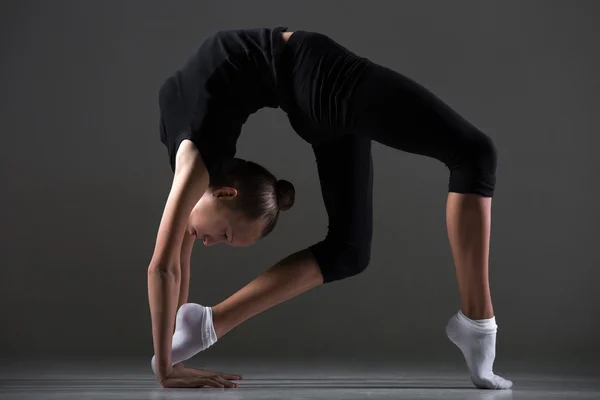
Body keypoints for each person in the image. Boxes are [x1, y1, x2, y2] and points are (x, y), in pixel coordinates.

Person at [148, 27, 512, 390]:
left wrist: (166, 366)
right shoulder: (192, 164)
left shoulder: (194, 165)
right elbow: (176, 262)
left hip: (315, 76)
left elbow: (164, 266)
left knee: (472, 157)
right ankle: (477, 326)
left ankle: (478, 324)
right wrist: (170, 356)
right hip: (309, 91)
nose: (208, 242)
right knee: (355, 246)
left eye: (224, 235)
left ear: (226, 194)